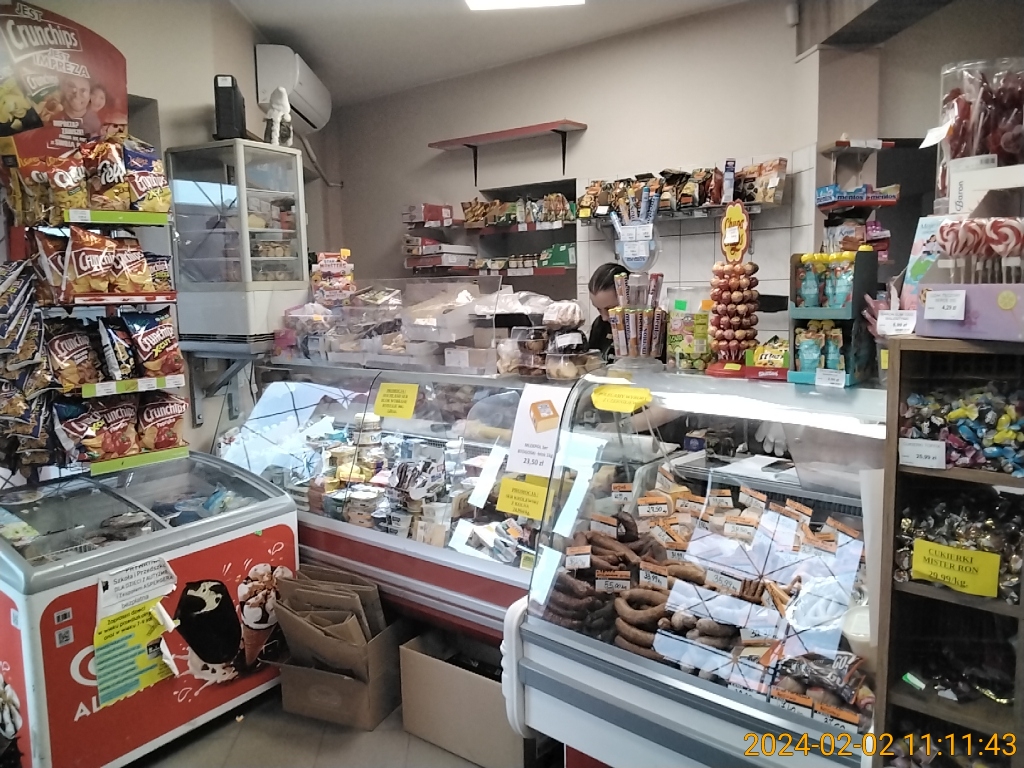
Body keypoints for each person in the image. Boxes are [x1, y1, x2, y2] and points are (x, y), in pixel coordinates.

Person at [587, 262, 629, 361]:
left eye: (610, 309)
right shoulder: (600, 326)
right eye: (598, 309)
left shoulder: (652, 327)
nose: (604, 318)